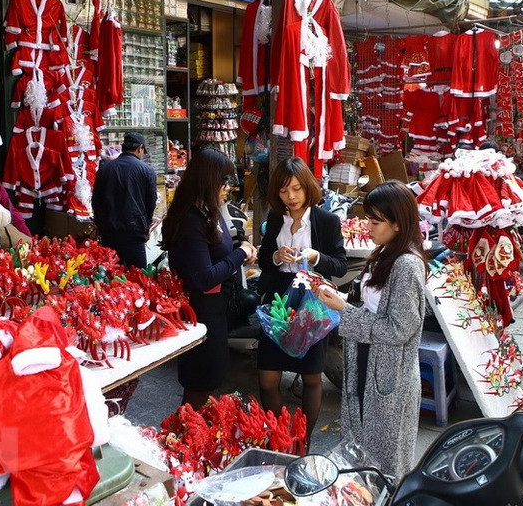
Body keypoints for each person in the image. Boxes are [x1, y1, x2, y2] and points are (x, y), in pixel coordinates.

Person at [316, 181, 429, 477]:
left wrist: (345, 311)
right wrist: (339, 298)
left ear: (397, 223)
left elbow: (400, 329)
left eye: (375, 220)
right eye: (368, 218)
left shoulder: (406, 265)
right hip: (369, 362)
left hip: (389, 374)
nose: (368, 226)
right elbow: (370, 307)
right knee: (363, 450)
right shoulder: (385, 253)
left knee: (385, 460)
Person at [256, 158, 347, 442]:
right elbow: (263, 260)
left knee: (311, 376)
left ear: (308, 187)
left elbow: (341, 265)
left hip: (311, 302)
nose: (291, 197)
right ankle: (282, 436)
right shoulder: (274, 218)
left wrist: (314, 256)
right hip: (278, 300)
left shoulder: (327, 221)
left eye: (296, 189)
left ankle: (303, 440)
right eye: (284, 191)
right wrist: (274, 256)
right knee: (268, 378)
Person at [161, 148, 258, 408]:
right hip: (200, 313)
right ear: (207, 181)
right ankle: (180, 439)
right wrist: (240, 254)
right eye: (223, 181)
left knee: (208, 380)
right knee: (199, 384)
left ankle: (192, 436)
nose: (228, 187)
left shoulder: (210, 210)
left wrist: (244, 250)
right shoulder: (191, 220)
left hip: (216, 310)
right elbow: (204, 277)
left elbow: (223, 251)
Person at [92, 132, 157, 268]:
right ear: (140, 148)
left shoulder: (105, 169)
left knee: (111, 274)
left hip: (109, 231)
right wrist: (146, 226)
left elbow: (96, 201)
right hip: (135, 232)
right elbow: (150, 202)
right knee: (137, 276)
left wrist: (100, 224)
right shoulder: (147, 170)